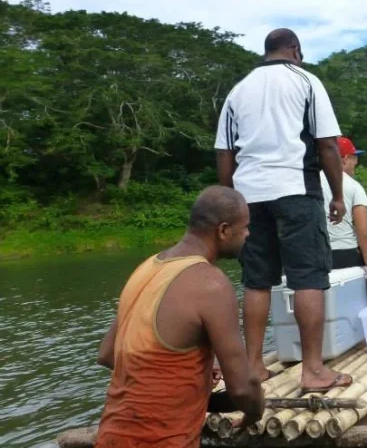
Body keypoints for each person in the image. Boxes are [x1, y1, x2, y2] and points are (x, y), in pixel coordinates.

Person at [215, 28, 351, 393]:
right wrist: (338, 195)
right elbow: (326, 146)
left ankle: (254, 366)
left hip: (248, 198)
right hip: (296, 190)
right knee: (308, 276)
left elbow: (225, 154)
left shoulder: (237, 91)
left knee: (257, 279)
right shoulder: (307, 82)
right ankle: (313, 371)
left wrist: (232, 202)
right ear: (295, 49)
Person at [94, 186, 264, 447]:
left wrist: (192, 374)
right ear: (223, 230)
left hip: (110, 437)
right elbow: (242, 388)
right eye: (245, 228)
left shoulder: (147, 268)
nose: (248, 234)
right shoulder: (211, 284)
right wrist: (255, 411)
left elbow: (107, 354)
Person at [320, 137, 367, 302]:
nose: (357, 163)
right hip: (343, 254)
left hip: (316, 256)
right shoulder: (353, 187)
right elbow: (364, 234)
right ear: (345, 159)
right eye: (355, 158)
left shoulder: (311, 183)